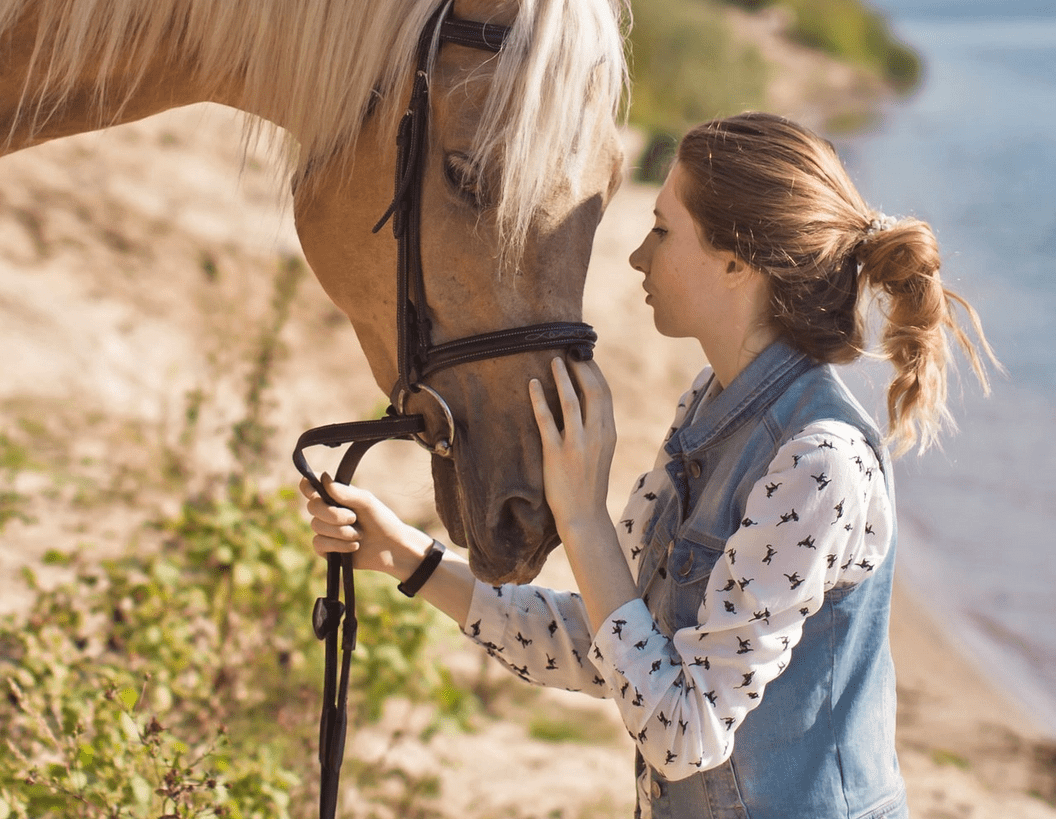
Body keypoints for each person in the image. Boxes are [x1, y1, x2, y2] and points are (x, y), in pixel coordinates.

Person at [301, 111, 995, 819]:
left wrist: (582, 517)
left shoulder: (820, 464)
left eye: (662, 230)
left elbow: (685, 734)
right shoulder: (709, 403)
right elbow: (616, 643)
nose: (637, 256)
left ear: (736, 262)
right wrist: (410, 559)